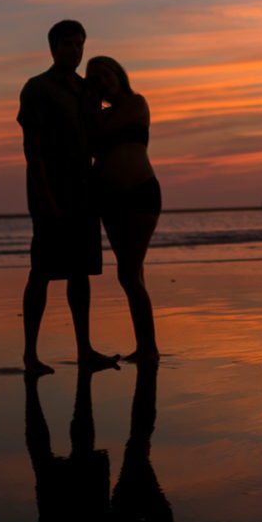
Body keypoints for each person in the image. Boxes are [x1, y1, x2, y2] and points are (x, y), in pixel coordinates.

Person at [18, 20, 119, 376]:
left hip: (84, 188)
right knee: (42, 270)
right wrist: (43, 194)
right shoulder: (38, 88)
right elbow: (32, 147)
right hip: (51, 187)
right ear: (53, 48)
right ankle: (30, 355)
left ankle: (84, 349)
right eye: (67, 44)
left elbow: (98, 134)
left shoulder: (87, 90)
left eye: (79, 44)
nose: (75, 50)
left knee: (80, 269)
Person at [85, 54, 161, 361]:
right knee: (133, 273)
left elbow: (96, 135)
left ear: (118, 74)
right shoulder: (100, 115)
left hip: (140, 193)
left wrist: (91, 107)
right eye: (95, 80)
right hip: (109, 200)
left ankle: (149, 348)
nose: (103, 82)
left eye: (106, 75)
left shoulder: (136, 103)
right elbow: (89, 144)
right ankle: (143, 346)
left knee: (128, 274)